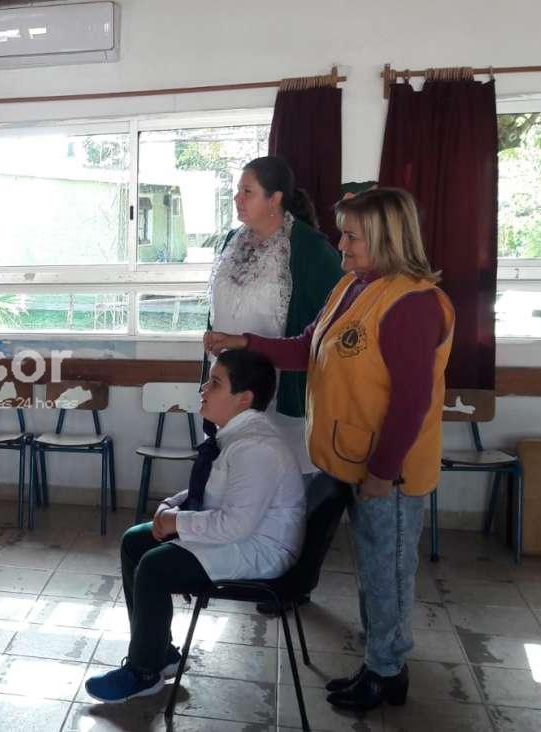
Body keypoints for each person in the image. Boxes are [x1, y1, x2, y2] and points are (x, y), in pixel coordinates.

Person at [204, 187, 455, 712]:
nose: (341, 244)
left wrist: (382, 473)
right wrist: (244, 342)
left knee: (387, 570)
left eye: (352, 236)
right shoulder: (353, 286)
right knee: (372, 565)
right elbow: (306, 349)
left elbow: (411, 402)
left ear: (386, 238)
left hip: (389, 469)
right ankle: (380, 662)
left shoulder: (411, 304)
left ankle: (387, 673)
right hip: (350, 459)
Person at [84, 349, 305, 703]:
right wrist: (172, 505)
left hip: (260, 550)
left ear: (244, 398)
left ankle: (144, 671)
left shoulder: (256, 448)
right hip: (242, 533)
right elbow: (215, 490)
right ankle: (160, 652)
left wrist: (176, 521)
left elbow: (235, 526)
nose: (203, 388)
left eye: (215, 382)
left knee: (155, 566)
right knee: (136, 541)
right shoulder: (235, 435)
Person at [209, 155, 343, 475]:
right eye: (238, 190)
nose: (237, 198)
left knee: (280, 473)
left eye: (247, 192)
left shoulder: (308, 248)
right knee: (235, 473)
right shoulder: (233, 240)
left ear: (275, 199)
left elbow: (339, 313)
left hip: (282, 386)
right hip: (232, 380)